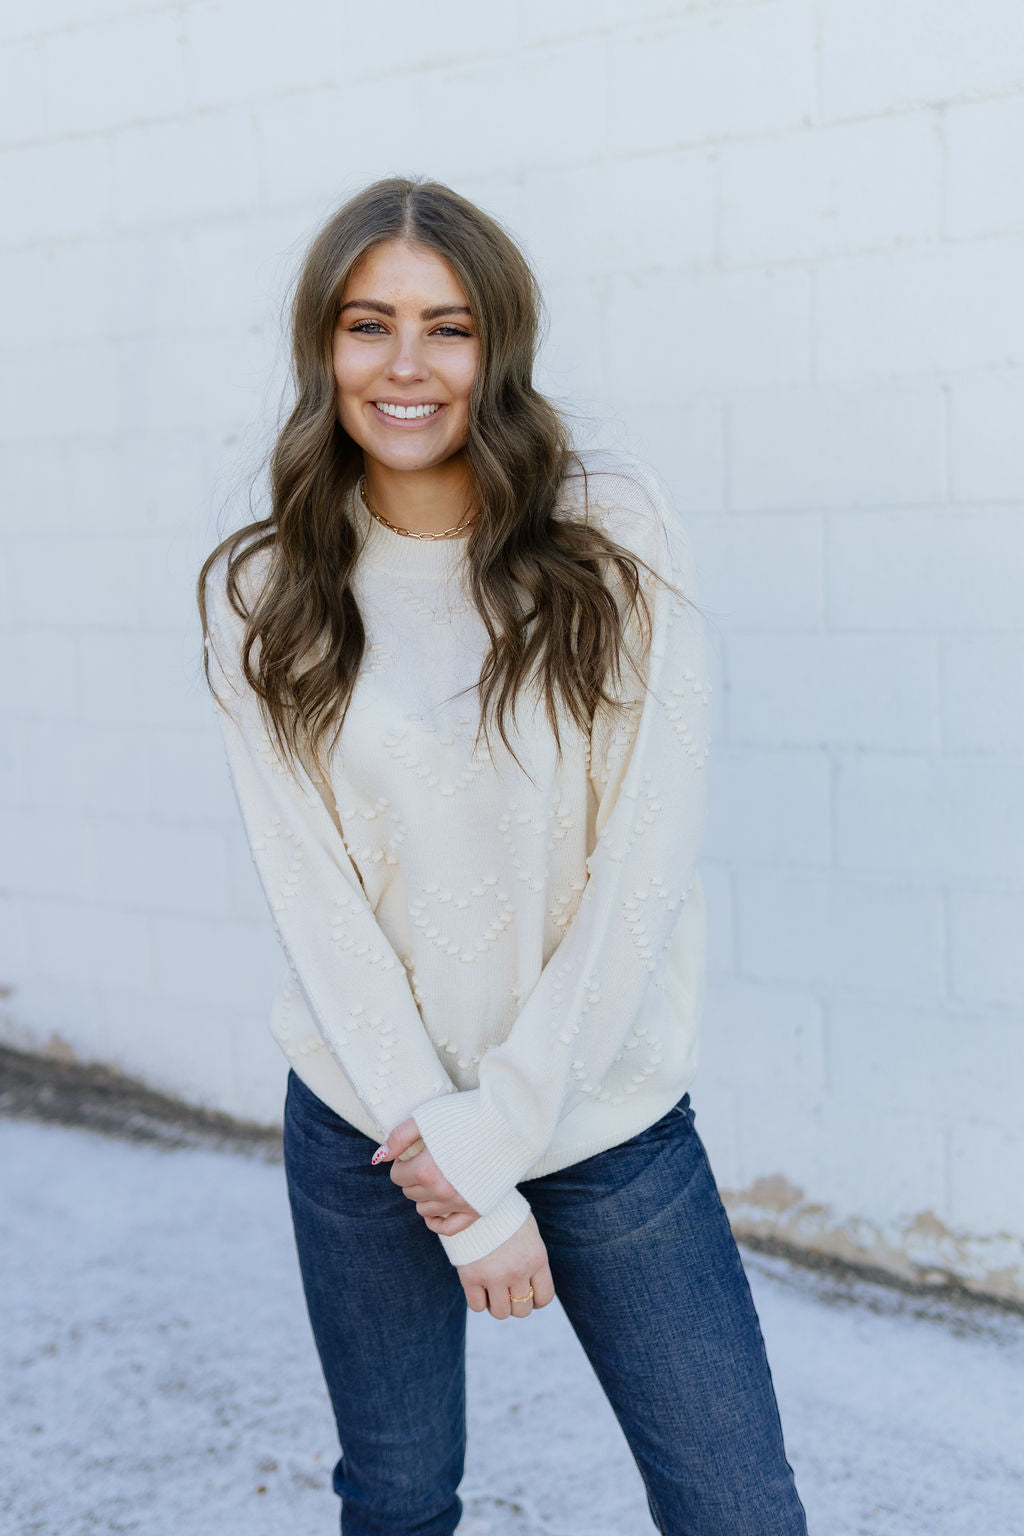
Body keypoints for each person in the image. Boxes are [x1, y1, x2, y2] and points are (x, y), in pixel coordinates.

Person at [197, 175, 808, 1536]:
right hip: (370, 1121)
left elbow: (642, 862)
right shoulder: (265, 589)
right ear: (322, 348)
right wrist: (453, 1181)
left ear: (501, 347)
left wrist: (503, 1134)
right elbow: (318, 907)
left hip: (604, 1116)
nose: (405, 366)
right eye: (368, 325)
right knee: (401, 1496)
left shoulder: (611, 531)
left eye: (448, 327)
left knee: (736, 1504)